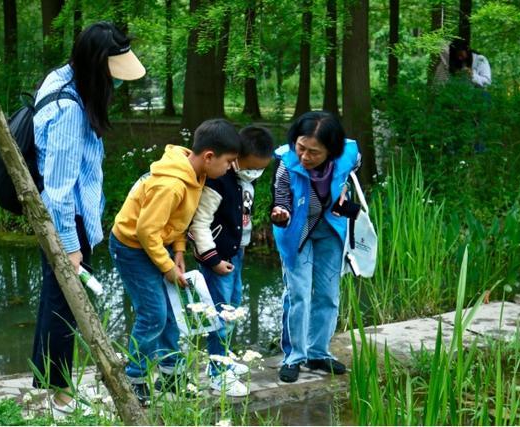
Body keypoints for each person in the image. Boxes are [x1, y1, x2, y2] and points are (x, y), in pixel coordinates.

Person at [30, 22, 145, 417]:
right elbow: (58, 189)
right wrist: (72, 245)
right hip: (67, 222)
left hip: (70, 220)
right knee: (65, 308)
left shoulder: (63, 78)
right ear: (97, 66)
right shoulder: (68, 112)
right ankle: (60, 398)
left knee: (56, 303)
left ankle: (52, 388)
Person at [109, 119, 241, 403]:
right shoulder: (171, 184)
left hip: (159, 243)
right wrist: (167, 266)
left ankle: (171, 374)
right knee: (153, 314)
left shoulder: (197, 175)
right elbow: (145, 230)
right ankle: (136, 378)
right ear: (209, 157)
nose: (230, 168)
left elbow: (180, 219)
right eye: (229, 162)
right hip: (132, 247)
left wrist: (179, 250)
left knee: (171, 310)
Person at [270, 111, 361, 383]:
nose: (305, 157)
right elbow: (281, 198)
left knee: (328, 294)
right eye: (301, 147)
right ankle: (294, 356)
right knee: (298, 294)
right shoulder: (287, 164)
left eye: (314, 152)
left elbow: (353, 176)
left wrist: (345, 194)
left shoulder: (349, 156)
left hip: (331, 230)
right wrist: (281, 213)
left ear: (331, 151)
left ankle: (318, 353)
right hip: (296, 232)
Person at [189, 126, 274, 396]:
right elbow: (199, 223)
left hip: (237, 252)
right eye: (250, 168)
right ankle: (217, 374)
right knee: (219, 314)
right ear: (235, 158)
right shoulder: (219, 181)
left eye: (260, 170)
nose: (254, 174)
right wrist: (212, 259)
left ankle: (224, 360)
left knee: (233, 308)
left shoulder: (245, 179)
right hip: (218, 257)